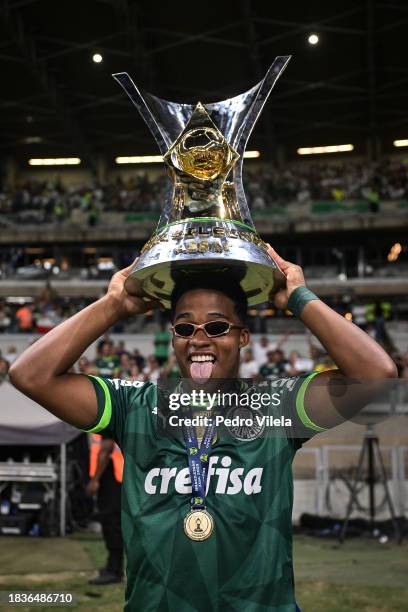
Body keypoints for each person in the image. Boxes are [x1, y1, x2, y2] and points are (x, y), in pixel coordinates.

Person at [9, 247, 397, 611]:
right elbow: (30, 375)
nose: (198, 339)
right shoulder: (137, 406)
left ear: (243, 336)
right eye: (184, 327)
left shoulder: (275, 407)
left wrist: (298, 299)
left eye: (216, 326)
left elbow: (375, 375)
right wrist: (113, 306)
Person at [86, 433, 124, 585]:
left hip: (112, 475)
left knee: (111, 524)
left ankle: (114, 570)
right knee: (113, 524)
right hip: (114, 475)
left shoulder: (105, 417)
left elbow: (106, 449)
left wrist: (95, 480)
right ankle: (113, 567)